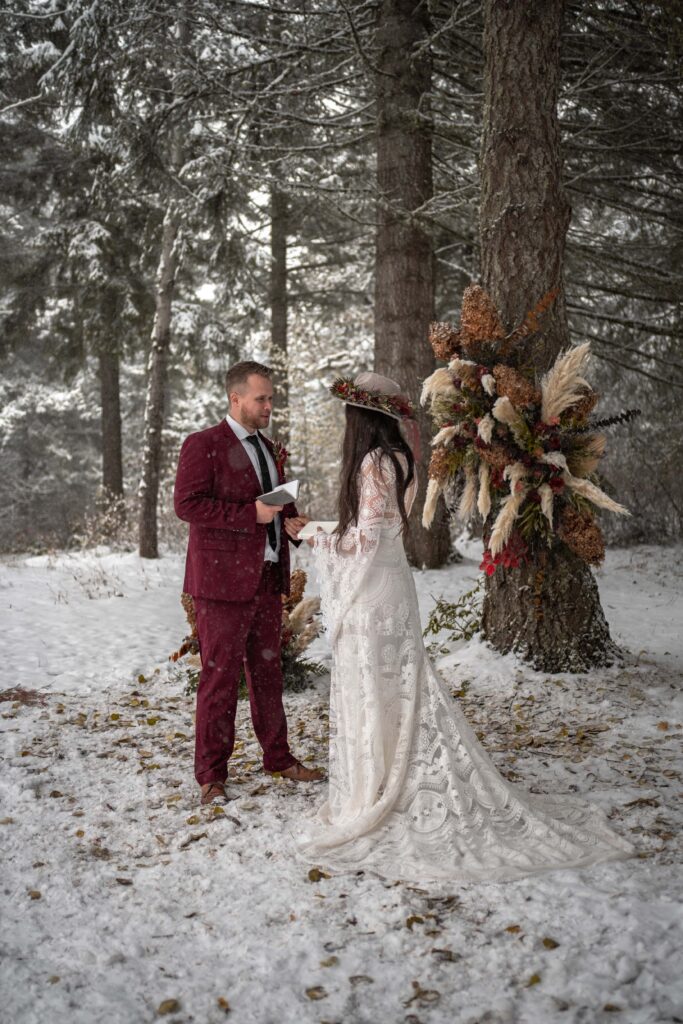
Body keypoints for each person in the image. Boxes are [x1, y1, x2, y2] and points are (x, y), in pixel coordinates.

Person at [294, 370, 636, 883]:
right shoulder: (401, 459)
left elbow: (361, 544)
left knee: (373, 686)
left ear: (360, 418)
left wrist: (313, 538)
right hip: (395, 588)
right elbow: (380, 535)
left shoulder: (370, 464)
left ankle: (375, 786)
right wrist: (326, 530)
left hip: (371, 595)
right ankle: (392, 771)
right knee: (399, 687)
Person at [174, 360, 323, 805]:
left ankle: (278, 757)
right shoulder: (203, 445)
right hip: (221, 585)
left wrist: (293, 522)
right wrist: (248, 516)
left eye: (271, 398)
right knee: (219, 679)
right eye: (261, 398)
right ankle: (211, 774)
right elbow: (187, 504)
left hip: (266, 579)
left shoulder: (270, 448)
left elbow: (277, 507)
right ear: (235, 398)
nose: (268, 405)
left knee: (268, 674)